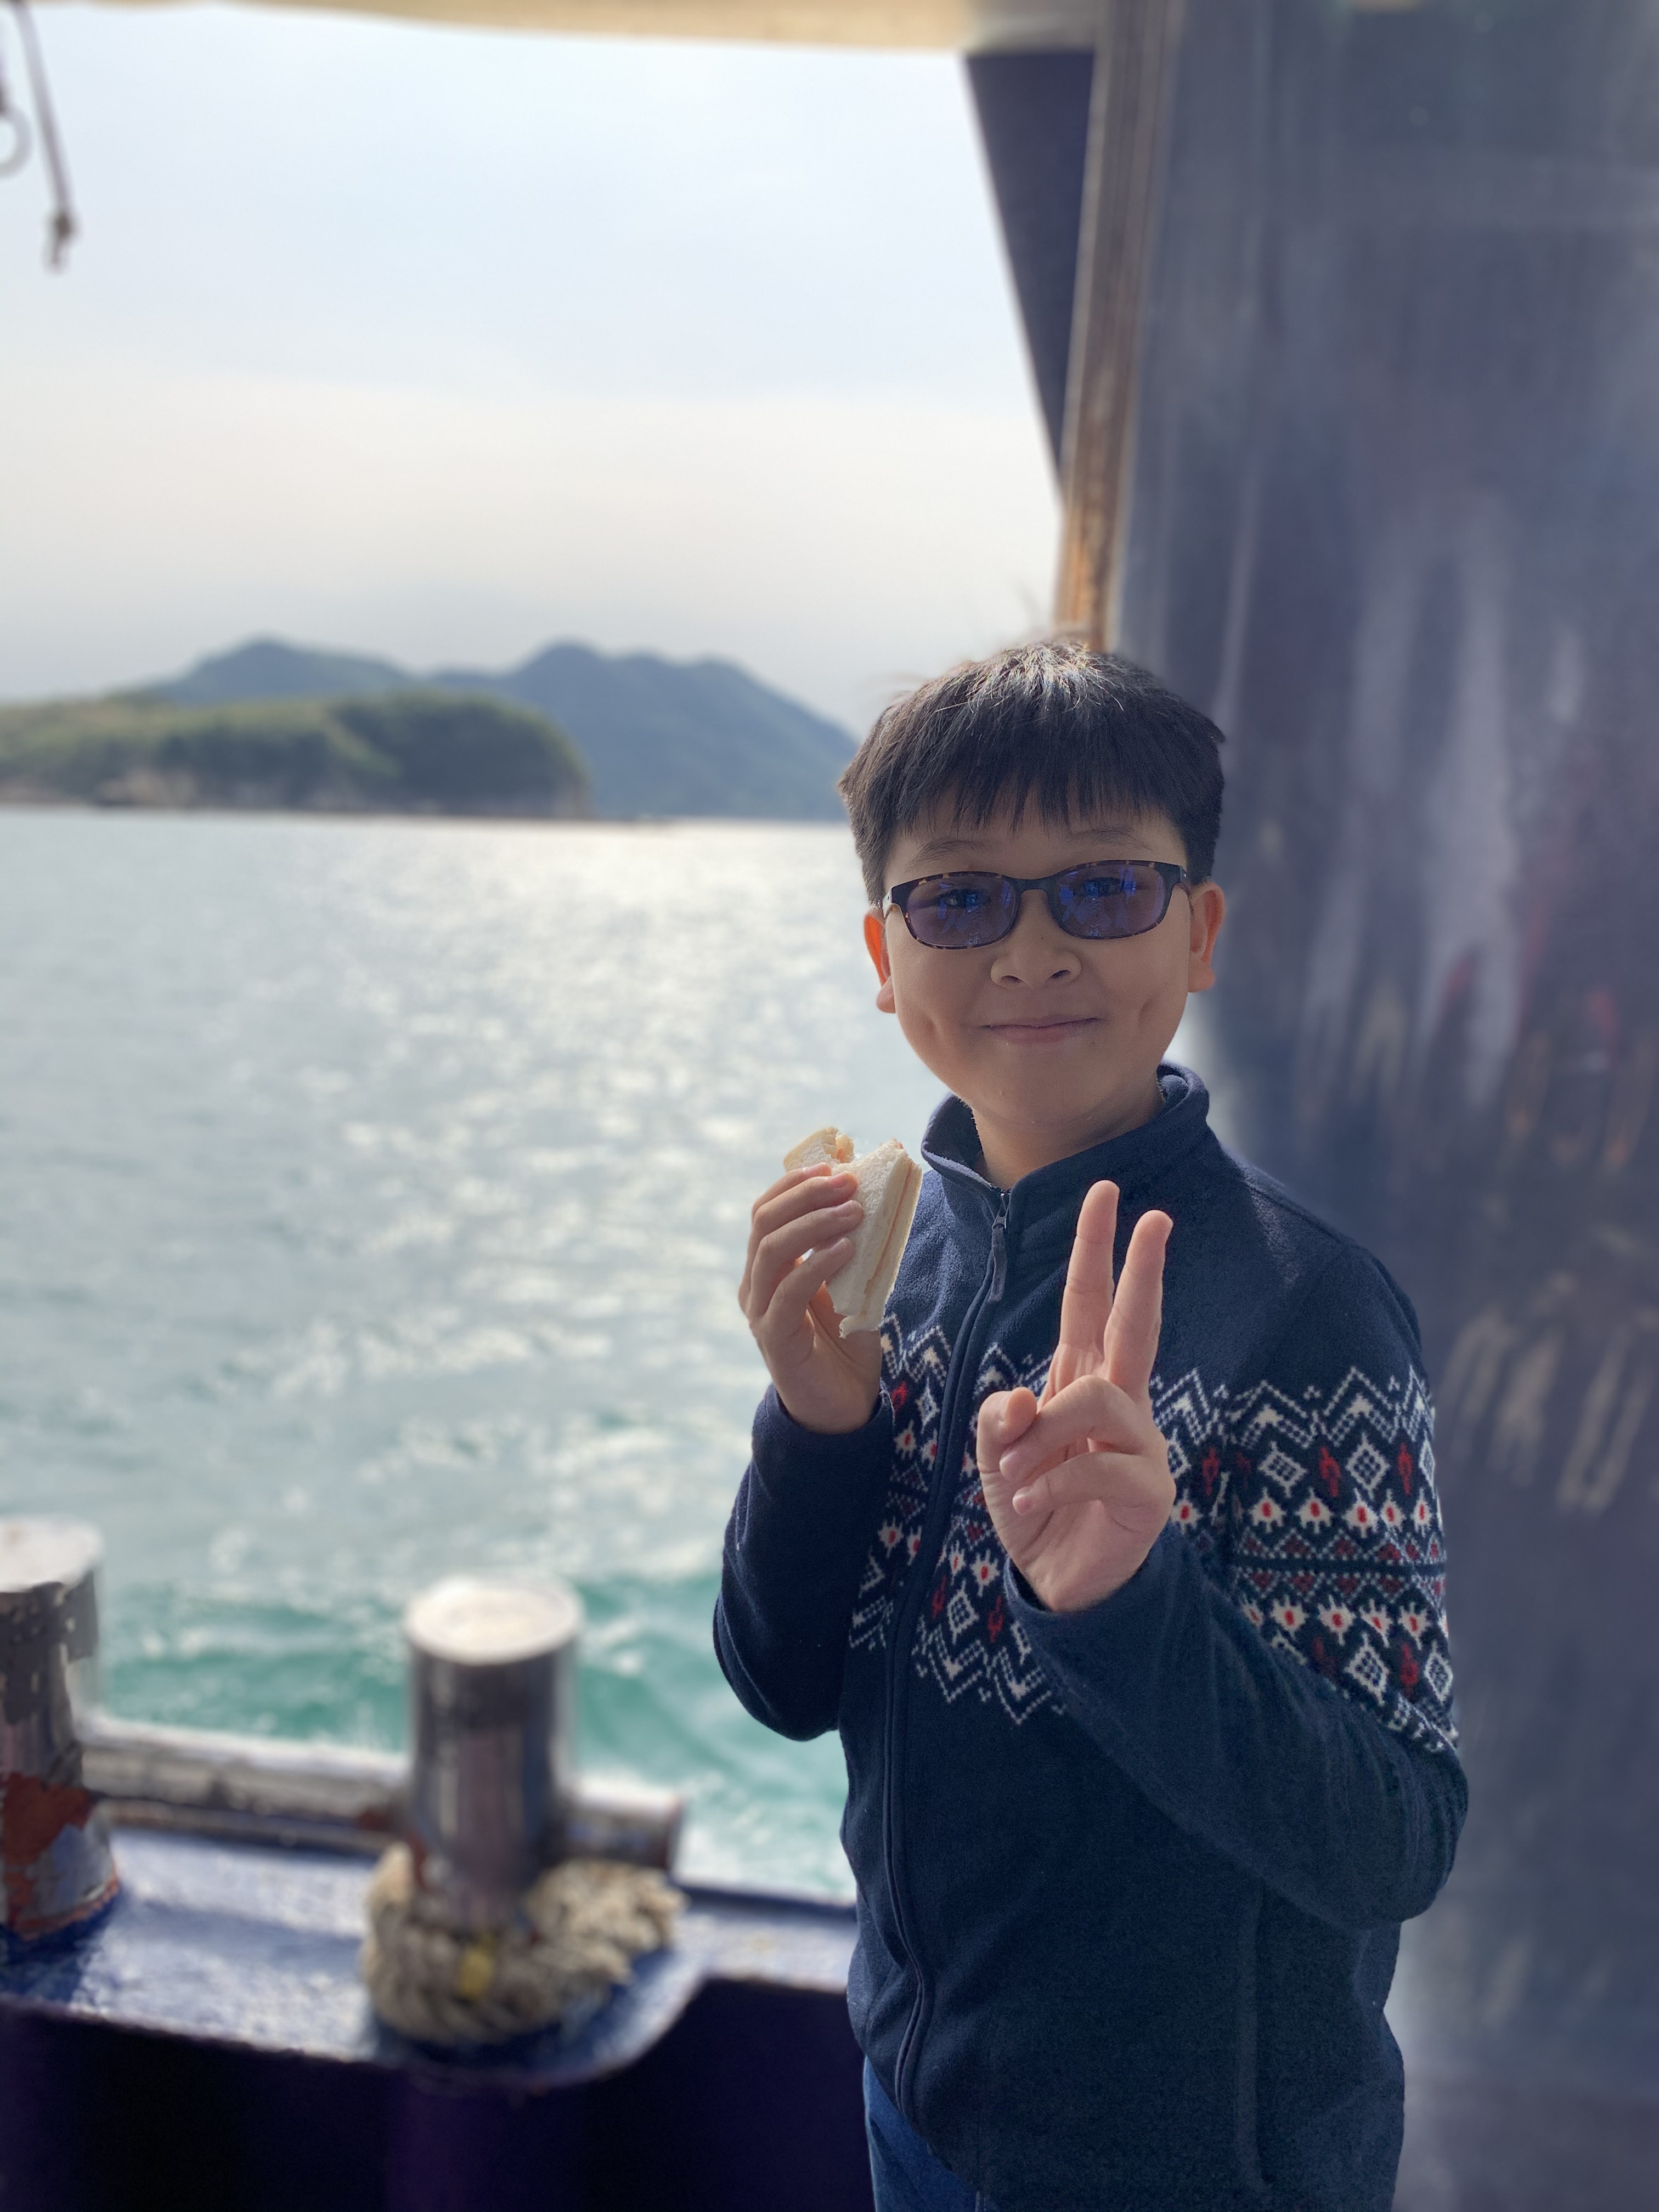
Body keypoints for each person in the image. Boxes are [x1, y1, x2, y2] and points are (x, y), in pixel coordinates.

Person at [714, 640, 1464, 2212]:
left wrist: (1132, 1601)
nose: (1033, 951)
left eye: (1106, 890)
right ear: (885, 953)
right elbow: (781, 1682)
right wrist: (820, 1425)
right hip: (915, 2101)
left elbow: (1395, 1838)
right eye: (961, 901)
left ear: (1200, 932)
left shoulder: (1307, 1316)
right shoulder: (890, 1266)